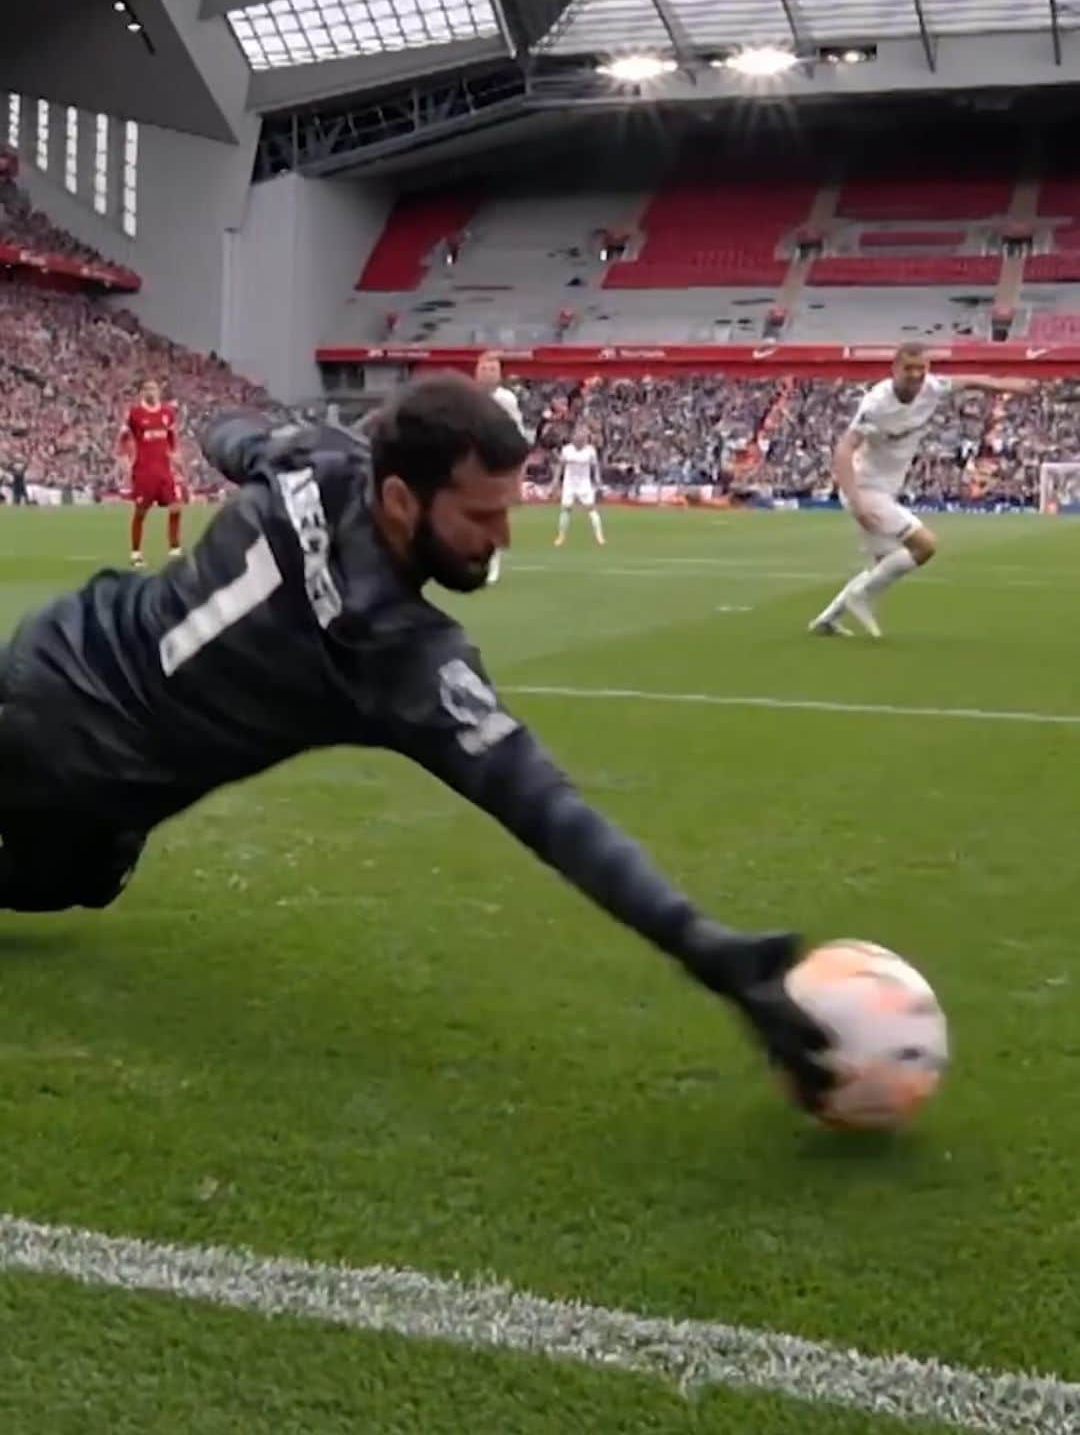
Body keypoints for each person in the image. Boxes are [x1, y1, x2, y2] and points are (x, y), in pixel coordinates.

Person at [0, 373, 830, 1109]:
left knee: (92, 873)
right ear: (401, 499)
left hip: (53, 658)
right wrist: (704, 947)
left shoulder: (314, 459)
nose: (502, 536)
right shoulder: (395, 652)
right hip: (85, 769)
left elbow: (227, 430)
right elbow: (550, 812)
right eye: (481, 515)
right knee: (72, 863)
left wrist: (248, 437)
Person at [809, 346, 1036, 638]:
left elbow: (968, 380)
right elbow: (843, 450)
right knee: (924, 546)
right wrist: (857, 503)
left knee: (883, 566)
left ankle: (827, 621)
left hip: (886, 489)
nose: (916, 375)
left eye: (922, 368)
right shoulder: (877, 404)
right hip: (864, 489)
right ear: (895, 369)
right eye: (909, 369)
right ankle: (861, 596)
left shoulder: (931, 388)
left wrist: (1006, 385)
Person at [473, 352, 529, 583]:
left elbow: (518, 433)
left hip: (495, 463)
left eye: (494, 370)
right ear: (477, 372)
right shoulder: (467, 397)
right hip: (471, 463)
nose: (489, 374)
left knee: (493, 514)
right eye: (485, 369)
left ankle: (492, 561)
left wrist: (516, 472)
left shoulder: (506, 399)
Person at [120, 377, 184, 568]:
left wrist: (175, 455)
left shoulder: (167, 413)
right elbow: (123, 437)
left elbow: (172, 437)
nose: (151, 391)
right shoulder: (135, 413)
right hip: (144, 471)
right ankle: (136, 553)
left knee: (176, 507)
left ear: (158, 391)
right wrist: (124, 457)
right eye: (147, 388)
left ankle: (175, 549)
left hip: (164, 470)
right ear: (142, 392)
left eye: (153, 388)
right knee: (140, 512)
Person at [554, 420, 605, 548]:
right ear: (574, 437)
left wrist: (598, 480)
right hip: (569, 483)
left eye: (583, 437)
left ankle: (599, 536)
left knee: (591, 509)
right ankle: (561, 536)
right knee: (566, 509)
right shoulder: (567, 450)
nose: (581, 439)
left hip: (584, 484)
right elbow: (560, 466)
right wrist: (555, 481)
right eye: (578, 436)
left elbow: (595, 467)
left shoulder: (590, 451)